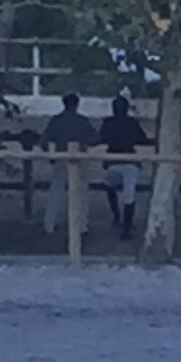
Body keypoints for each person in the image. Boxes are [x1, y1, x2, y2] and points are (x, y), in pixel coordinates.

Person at [39, 94, 92, 237]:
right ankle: (81, 226)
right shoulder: (83, 121)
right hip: (79, 159)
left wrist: (51, 154)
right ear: (77, 104)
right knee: (80, 194)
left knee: (56, 192)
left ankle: (49, 224)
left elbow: (44, 141)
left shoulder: (57, 121)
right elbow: (95, 138)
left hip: (61, 158)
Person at [99, 94, 147, 247]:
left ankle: (116, 215)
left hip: (113, 161)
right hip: (130, 161)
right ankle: (126, 227)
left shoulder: (108, 123)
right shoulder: (132, 123)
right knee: (129, 195)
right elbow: (142, 138)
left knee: (108, 185)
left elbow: (101, 137)